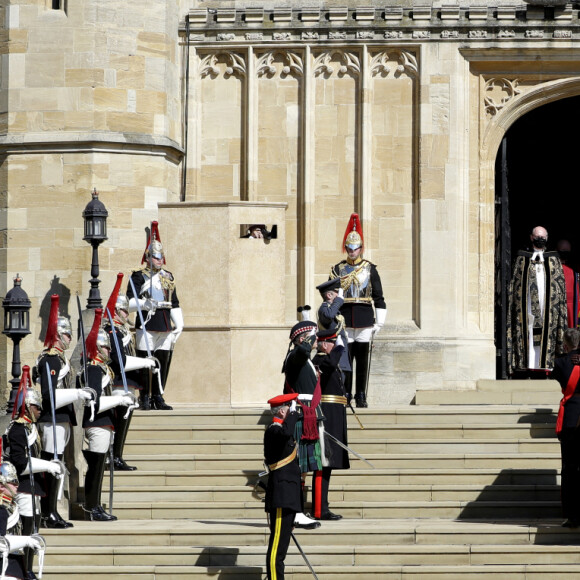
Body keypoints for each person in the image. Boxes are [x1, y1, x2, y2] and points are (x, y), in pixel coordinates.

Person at [33, 294, 91, 529]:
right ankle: (48, 513)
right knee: (50, 465)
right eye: (67, 334)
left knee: (57, 466)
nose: (70, 338)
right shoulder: (50, 360)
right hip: (52, 419)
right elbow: (48, 396)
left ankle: (53, 511)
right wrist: (77, 394)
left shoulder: (61, 360)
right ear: (57, 335)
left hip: (62, 419)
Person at [80, 309, 138, 521]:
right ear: (97, 348)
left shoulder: (103, 369)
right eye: (105, 346)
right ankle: (91, 506)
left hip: (105, 422)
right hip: (97, 421)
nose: (108, 350)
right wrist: (119, 400)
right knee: (96, 468)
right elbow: (94, 401)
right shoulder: (94, 369)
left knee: (100, 467)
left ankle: (95, 505)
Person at [4, 368, 61, 577]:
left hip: (33, 486)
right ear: (27, 407)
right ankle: (25, 570)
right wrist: (47, 466)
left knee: (33, 530)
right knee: (27, 531)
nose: (40, 411)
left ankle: (29, 569)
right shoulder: (18, 429)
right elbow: (20, 462)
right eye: (36, 407)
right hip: (24, 486)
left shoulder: (29, 428)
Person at [330, 213, 386, 407]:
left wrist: (379, 322)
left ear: (361, 248)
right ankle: (346, 394)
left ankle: (361, 394)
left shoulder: (370, 269)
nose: (352, 251)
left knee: (362, 360)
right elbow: (331, 296)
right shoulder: (338, 269)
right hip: (344, 318)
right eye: (349, 248)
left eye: (355, 248)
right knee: (345, 360)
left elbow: (378, 296)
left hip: (364, 318)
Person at [126, 221, 183, 410]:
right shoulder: (138, 276)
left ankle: (158, 395)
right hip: (148, 323)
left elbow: (173, 302)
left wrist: (179, 324)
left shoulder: (168, 276)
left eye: (161, 257)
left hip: (165, 324)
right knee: (144, 363)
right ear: (148, 257)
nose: (160, 260)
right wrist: (143, 303)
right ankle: (144, 397)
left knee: (163, 361)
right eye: (156, 257)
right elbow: (129, 302)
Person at [104, 273, 157, 470]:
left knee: (124, 421)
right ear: (116, 311)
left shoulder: (122, 330)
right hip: (118, 382)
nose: (128, 314)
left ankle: (118, 455)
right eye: (125, 311)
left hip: (127, 381)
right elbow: (119, 361)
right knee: (119, 421)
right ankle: (113, 456)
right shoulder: (112, 332)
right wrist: (144, 363)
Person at [507, 226, 568, 375]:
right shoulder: (522, 258)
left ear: (547, 238)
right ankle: (526, 366)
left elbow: (559, 287)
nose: (540, 239)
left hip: (548, 307)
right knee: (528, 332)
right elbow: (515, 285)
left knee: (546, 333)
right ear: (531, 237)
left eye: (543, 236)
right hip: (527, 307)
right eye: (537, 236)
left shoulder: (554, 259)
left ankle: (546, 366)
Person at [282, 320, 322, 530]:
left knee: (303, 469)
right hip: (300, 415)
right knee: (298, 468)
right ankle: (296, 513)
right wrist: (308, 340)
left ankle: (298, 511)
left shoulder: (303, 358)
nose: (316, 339)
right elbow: (302, 352)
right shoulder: (296, 355)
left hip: (308, 413)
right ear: (302, 338)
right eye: (312, 335)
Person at [310, 328, 350, 521]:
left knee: (328, 465)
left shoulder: (327, 360)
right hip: (326, 417)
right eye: (334, 343)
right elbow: (330, 363)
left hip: (334, 416)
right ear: (325, 344)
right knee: (323, 464)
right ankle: (319, 509)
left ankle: (322, 506)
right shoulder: (319, 361)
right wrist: (338, 349)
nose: (337, 347)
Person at [264, 393, 302, 580]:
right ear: (281, 410)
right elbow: (286, 432)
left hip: (288, 497)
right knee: (276, 550)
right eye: (289, 408)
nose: (292, 412)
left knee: (282, 549)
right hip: (281, 497)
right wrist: (293, 414)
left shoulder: (281, 432)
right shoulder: (273, 430)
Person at [551, 328, 580, 527]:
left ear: (565, 343)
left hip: (571, 418)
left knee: (569, 469)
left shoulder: (561, 362)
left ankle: (572, 516)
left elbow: (557, 375)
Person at [0, 459, 46, 580]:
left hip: (15, 566)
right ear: (1, 485)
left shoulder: (11, 506)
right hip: (5, 568)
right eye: (12, 483)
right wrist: (26, 541)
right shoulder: (1, 509)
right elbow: (0, 542)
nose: (17, 486)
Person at [316, 278, 351, 374]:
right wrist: (339, 301)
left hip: (340, 358)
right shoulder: (324, 309)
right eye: (337, 293)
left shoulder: (333, 310)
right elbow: (329, 315)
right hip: (332, 358)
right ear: (329, 295)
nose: (340, 296)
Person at [557, 239, 579, 329]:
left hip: (573, 307)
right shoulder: (551, 270)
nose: (565, 254)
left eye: (567, 252)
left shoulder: (574, 271)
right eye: (563, 251)